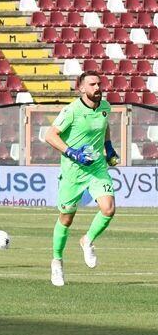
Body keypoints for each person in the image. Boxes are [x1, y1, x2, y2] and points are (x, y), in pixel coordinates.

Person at [44, 71, 118, 287]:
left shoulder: (105, 107)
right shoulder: (71, 111)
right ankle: (57, 261)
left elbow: (104, 128)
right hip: (73, 172)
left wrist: (109, 148)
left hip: (96, 168)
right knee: (66, 218)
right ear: (82, 88)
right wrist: (72, 152)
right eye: (92, 84)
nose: (98, 87)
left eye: (99, 83)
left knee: (109, 208)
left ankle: (87, 240)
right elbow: (50, 135)